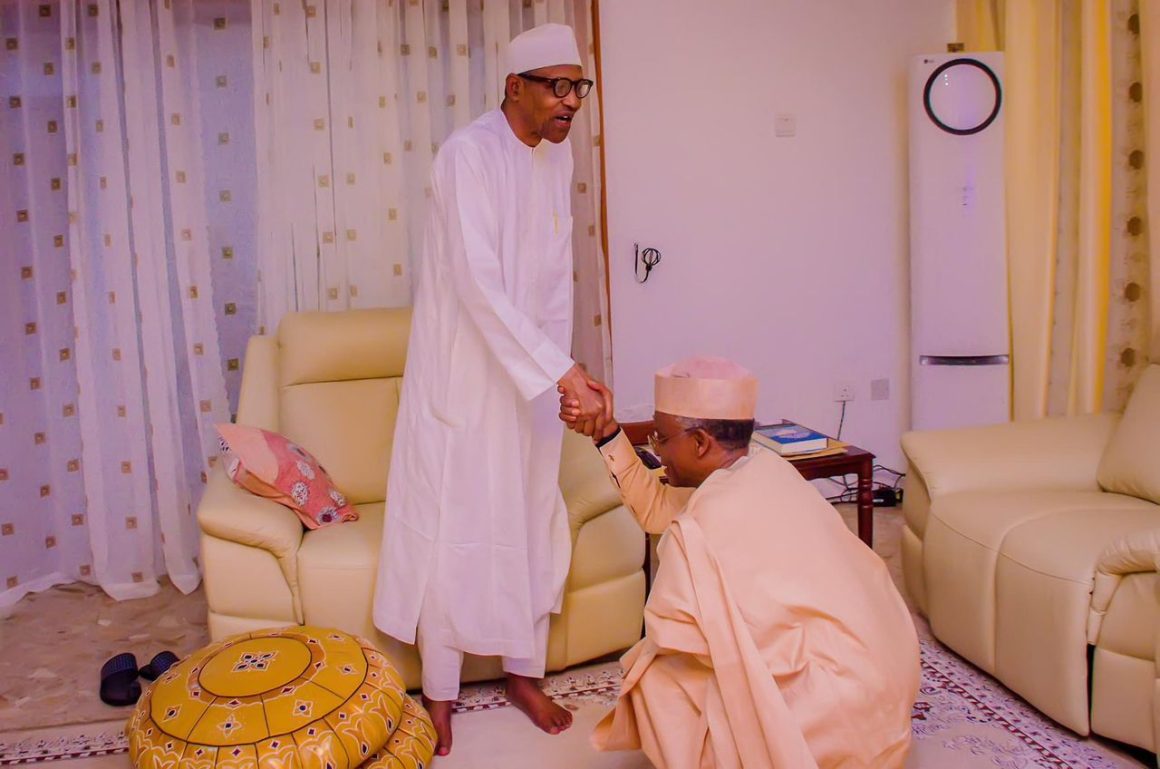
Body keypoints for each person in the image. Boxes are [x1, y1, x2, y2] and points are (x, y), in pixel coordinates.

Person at [374, 23, 610, 757]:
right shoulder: (465, 156)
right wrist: (560, 368)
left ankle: (523, 670)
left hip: (530, 379)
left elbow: (549, 282)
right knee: (458, 523)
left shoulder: (558, 153)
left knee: (529, 512)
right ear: (515, 87)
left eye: (579, 86)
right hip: (465, 376)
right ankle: (440, 692)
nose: (571, 100)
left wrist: (556, 368)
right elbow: (478, 283)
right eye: (556, 86)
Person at [563, 358, 920, 768]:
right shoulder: (767, 468)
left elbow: (673, 637)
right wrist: (608, 434)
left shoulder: (698, 528)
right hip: (881, 689)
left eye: (660, 438)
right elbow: (657, 507)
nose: (656, 451)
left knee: (653, 679)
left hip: (829, 717)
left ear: (699, 443)